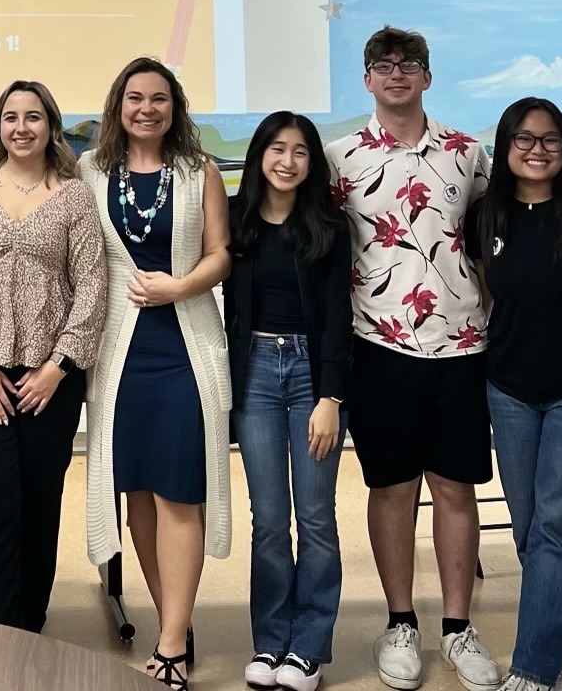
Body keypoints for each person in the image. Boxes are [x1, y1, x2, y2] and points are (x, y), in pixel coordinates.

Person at [325, 26, 500, 691]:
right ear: (367, 79)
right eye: (383, 65)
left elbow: (492, 243)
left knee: (455, 487)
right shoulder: (340, 158)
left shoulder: (467, 153)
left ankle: (458, 627)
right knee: (392, 487)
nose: (396, 74)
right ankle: (400, 623)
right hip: (378, 345)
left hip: (461, 346)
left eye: (409, 64)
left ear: (428, 76)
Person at [82, 57, 232, 691]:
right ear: (119, 106)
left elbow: (221, 253)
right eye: (136, 98)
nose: (147, 109)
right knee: (137, 493)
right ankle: (175, 616)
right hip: (117, 356)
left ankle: (171, 642)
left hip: (183, 351)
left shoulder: (200, 172)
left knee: (179, 491)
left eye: (160, 99)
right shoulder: (90, 172)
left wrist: (180, 287)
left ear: (176, 108)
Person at [0, 79, 108, 632]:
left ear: (50, 126)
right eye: (10, 117)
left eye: (33, 116)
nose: (21, 127)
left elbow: (92, 286)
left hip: (51, 380)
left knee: (40, 501)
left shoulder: (75, 196)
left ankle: (30, 626)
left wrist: (58, 367)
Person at [465, 98, 562, 691]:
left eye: (550, 139)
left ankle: (532, 671)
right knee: (531, 530)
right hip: (508, 387)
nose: (537, 149)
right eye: (524, 139)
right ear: (505, 146)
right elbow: (486, 289)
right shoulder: (484, 216)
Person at [227, 112, 352, 691]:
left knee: (317, 517)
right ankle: (270, 641)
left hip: (310, 376)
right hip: (253, 373)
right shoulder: (235, 220)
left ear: (311, 162)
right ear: (259, 155)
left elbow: (338, 316)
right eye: (277, 149)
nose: (288, 161)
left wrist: (331, 395)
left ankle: (308, 647)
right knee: (270, 520)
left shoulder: (327, 225)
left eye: (300, 151)